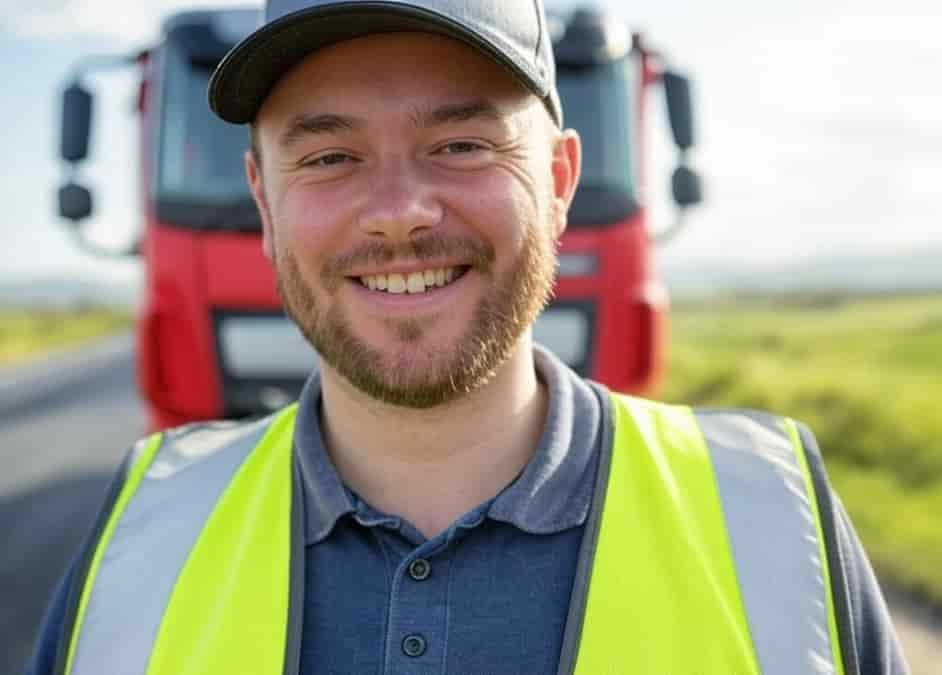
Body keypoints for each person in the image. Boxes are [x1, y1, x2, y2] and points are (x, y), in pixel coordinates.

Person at [29, 1, 909, 673]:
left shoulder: (779, 522)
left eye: (461, 144)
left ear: (561, 178)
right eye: (331, 157)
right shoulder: (137, 533)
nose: (401, 215)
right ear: (266, 203)